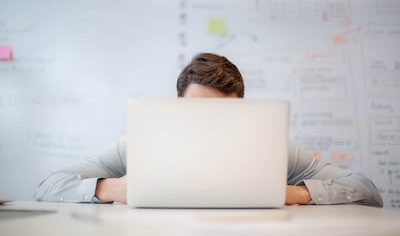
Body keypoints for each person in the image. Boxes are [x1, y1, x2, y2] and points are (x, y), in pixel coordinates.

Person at [34, 53, 383, 207]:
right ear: (176, 106)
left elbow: (367, 191)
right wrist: (110, 187)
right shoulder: (140, 143)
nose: (209, 125)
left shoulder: (271, 146)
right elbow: (48, 186)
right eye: (198, 111)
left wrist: (298, 193)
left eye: (222, 114)